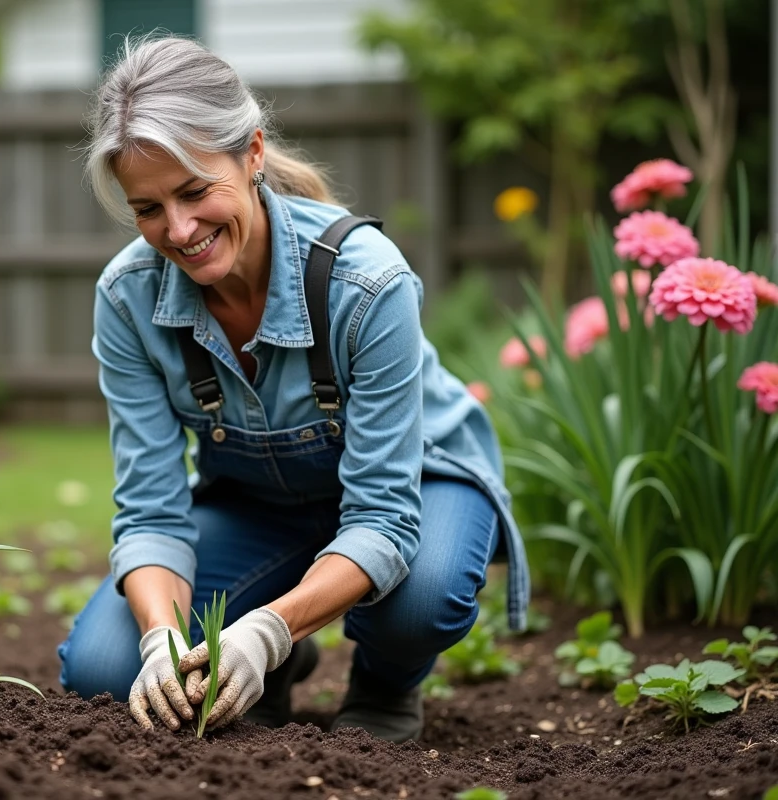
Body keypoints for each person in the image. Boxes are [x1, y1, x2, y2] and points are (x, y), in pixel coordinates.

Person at [56, 36, 529, 742]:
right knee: (102, 668)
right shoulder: (128, 298)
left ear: (250, 154)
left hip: (418, 485)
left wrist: (266, 629)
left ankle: (384, 685)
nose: (179, 230)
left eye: (194, 191)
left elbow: (384, 517)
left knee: (421, 596)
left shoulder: (367, 282)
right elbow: (151, 513)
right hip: (261, 507)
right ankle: (275, 661)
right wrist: (159, 639)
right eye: (148, 208)